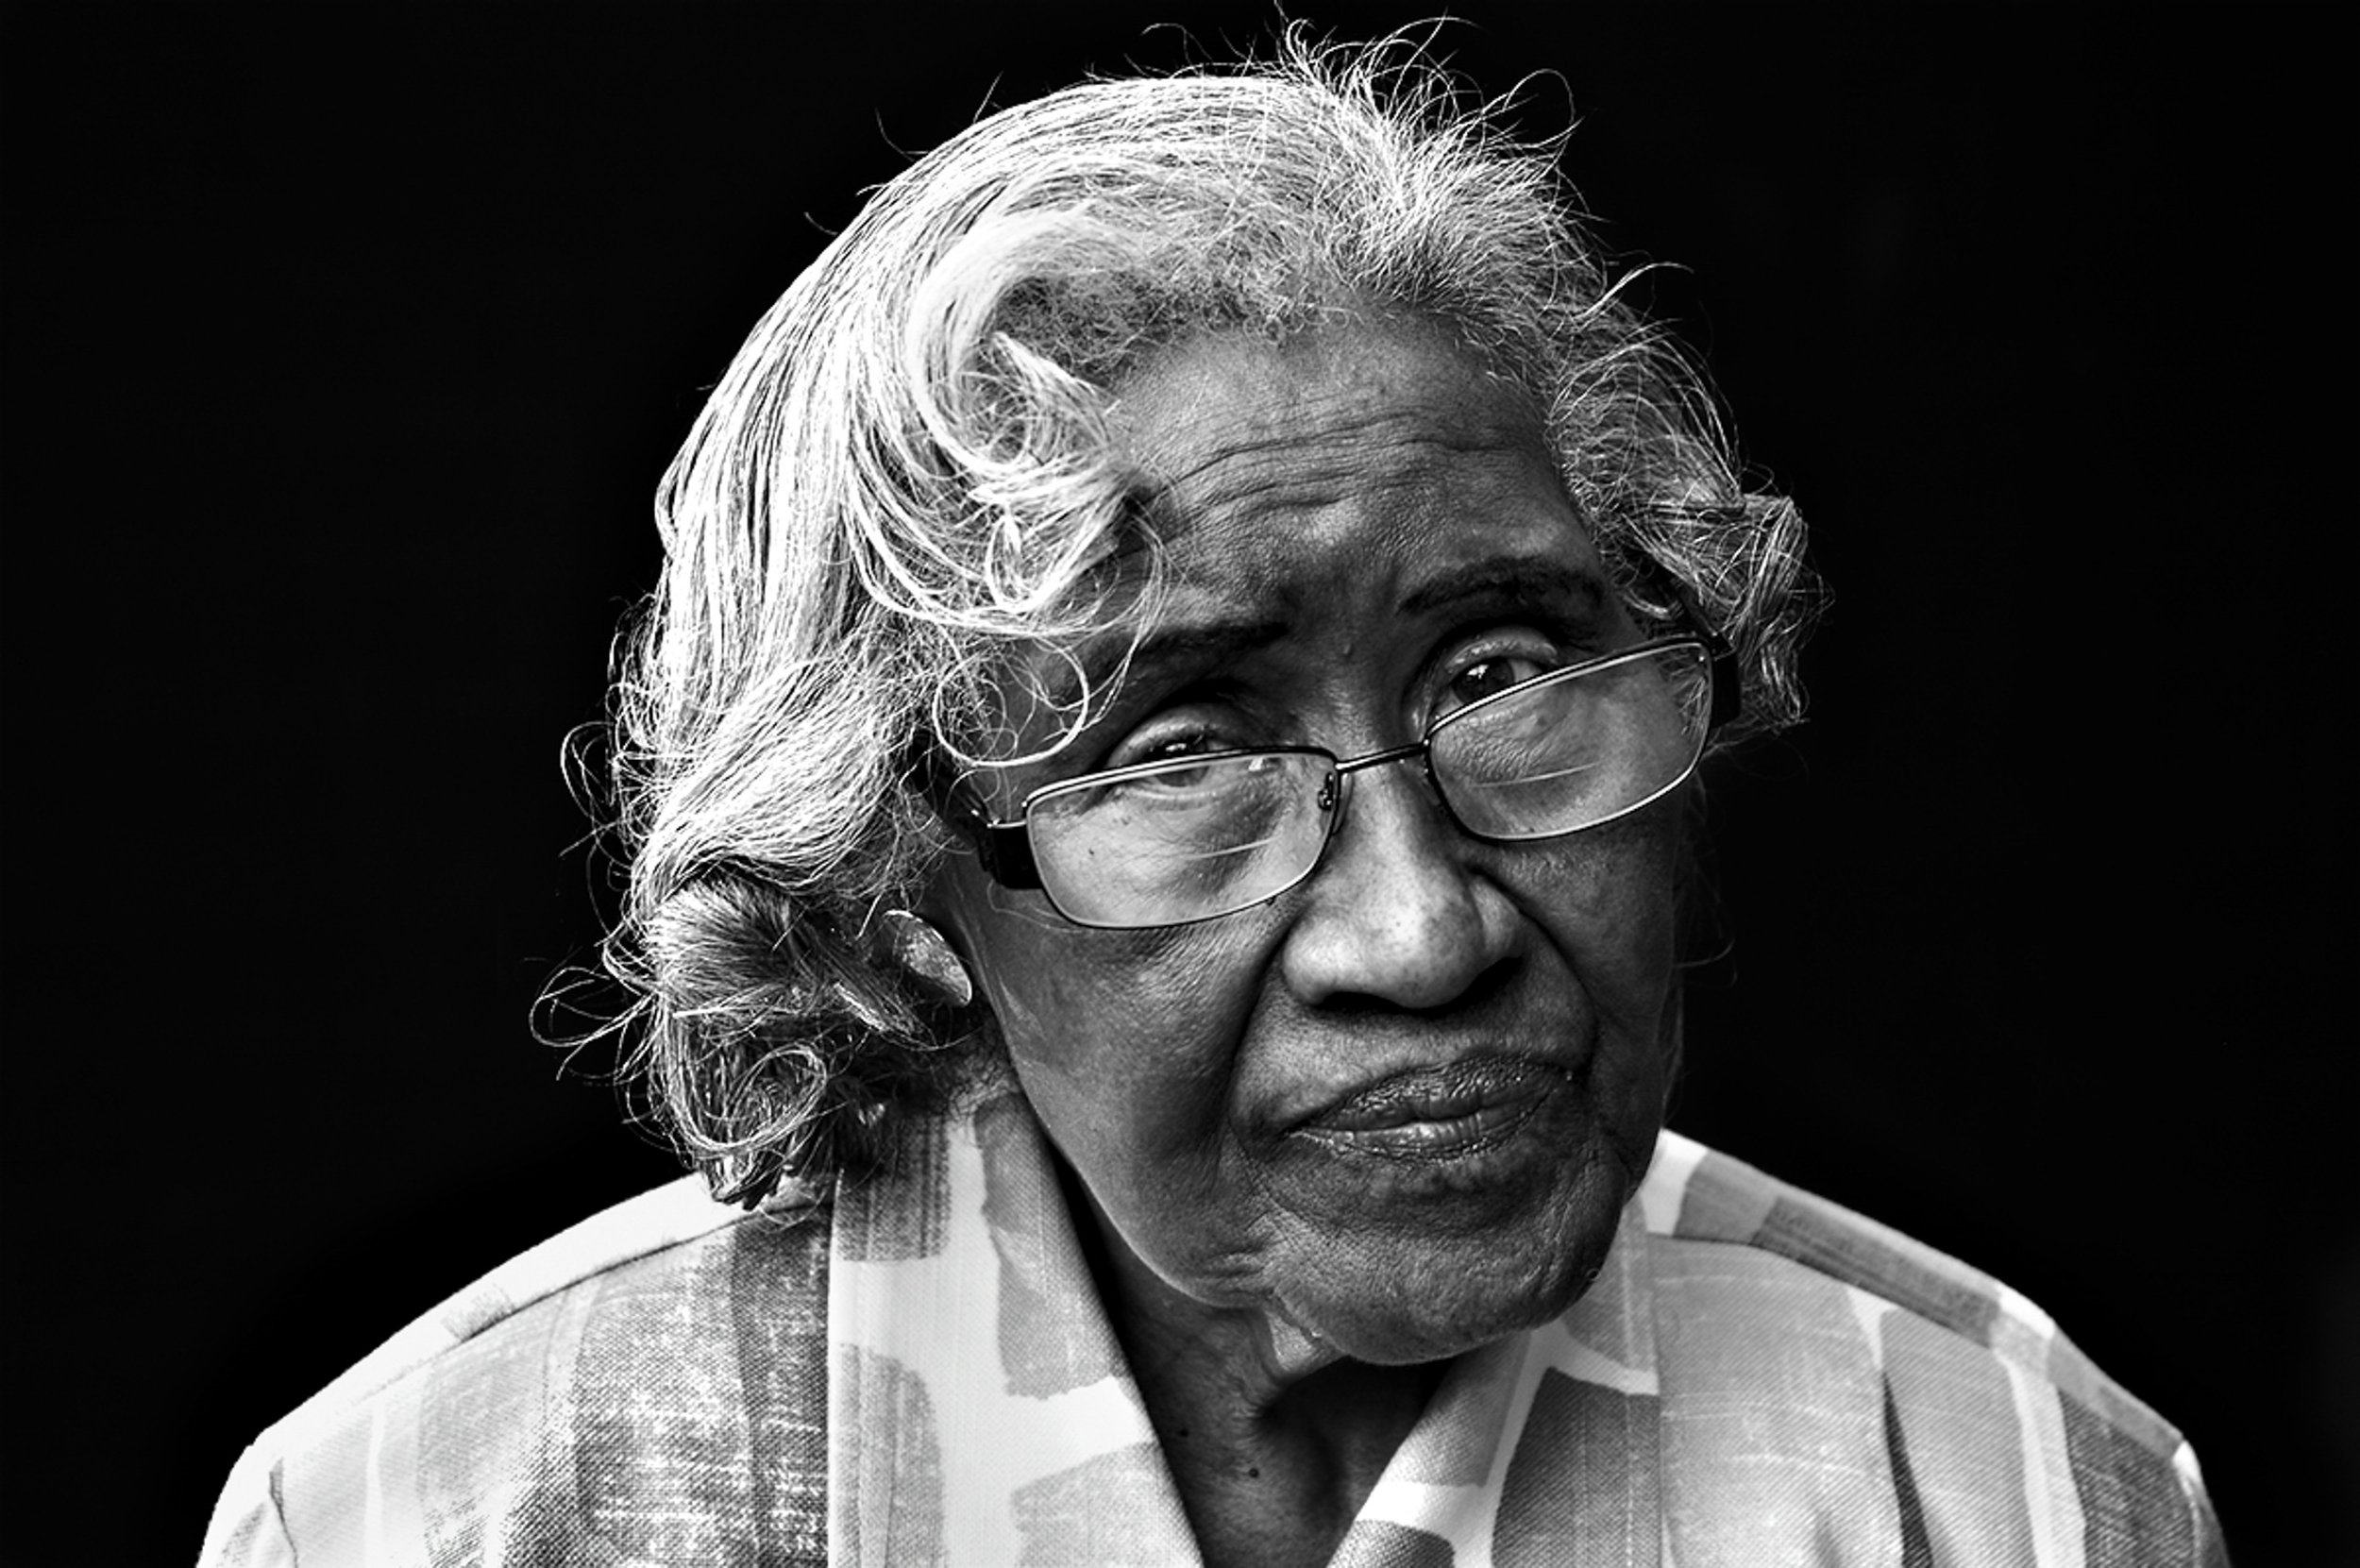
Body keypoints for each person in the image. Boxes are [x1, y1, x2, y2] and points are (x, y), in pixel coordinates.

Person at [200, 41, 2228, 1567]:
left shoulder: (2011, 1488)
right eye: (1178, 750)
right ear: (898, 892)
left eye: (1502, 674)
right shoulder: (456, 1514)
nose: (1419, 934)